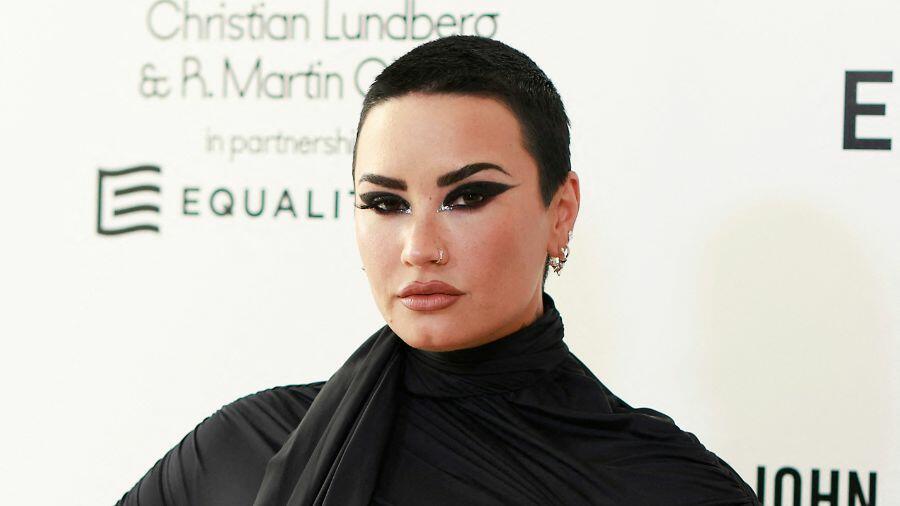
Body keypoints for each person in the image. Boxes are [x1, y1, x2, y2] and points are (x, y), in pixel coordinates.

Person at [116, 35, 760, 505]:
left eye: (468, 197)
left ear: (560, 211)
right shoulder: (248, 448)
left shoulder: (663, 485)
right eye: (385, 203)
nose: (419, 247)